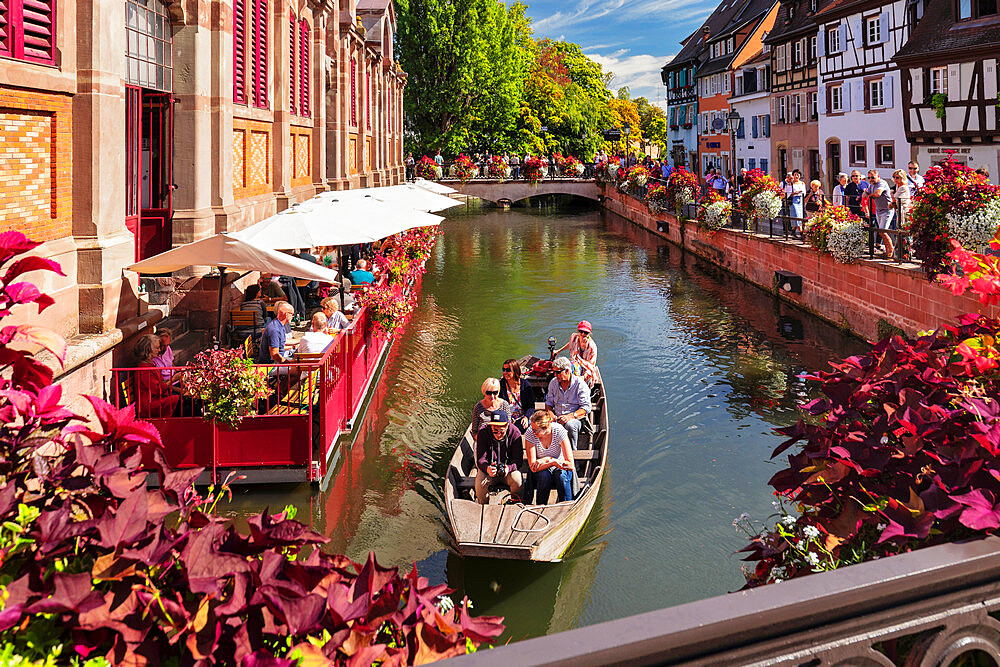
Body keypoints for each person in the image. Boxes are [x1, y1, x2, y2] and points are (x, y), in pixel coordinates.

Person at [525, 409, 575, 505]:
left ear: (546, 428)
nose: (533, 432)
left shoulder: (559, 431)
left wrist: (550, 460)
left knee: (561, 475)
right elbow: (533, 467)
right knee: (544, 476)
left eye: (536, 430)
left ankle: (566, 505)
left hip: (559, 466)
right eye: (532, 429)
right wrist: (552, 463)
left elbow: (570, 465)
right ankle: (540, 506)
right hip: (542, 469)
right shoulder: (530, 433)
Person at [474, 411, 523, 504]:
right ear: (491, 426)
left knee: (517, 480)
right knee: (480, 482)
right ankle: (483, 507)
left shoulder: (515, 433)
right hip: (489, 471)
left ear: (507, 426)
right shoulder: (483, 432)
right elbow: (480, 459)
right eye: (495, 431)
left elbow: (518, 460)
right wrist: (487, 468)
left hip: (508, 471)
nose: (498, 434)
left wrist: (509, 468)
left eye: (501, 431)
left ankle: (515, 503)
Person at [545, 356, 592, 449]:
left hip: (575, 418)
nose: (555, 375)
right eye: (554, 372)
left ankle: (573, 454)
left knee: (570, 425)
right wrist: (551, 414)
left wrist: (569, 417)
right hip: (557, 417)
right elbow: (548, 403)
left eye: (557, 372)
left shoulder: (580, 384)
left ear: (567, 371)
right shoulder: (553, 383)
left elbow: (586, 408)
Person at [132, 334, 180, 418]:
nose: (159, 350)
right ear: (148, 350)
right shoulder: (144, 369)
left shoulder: (150, 364)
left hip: (156, 400)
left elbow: (161, 384)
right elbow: (158, 389)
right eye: (157, 348)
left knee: (188, 401)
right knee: (182, 401)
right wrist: (174, 378)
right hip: (150, 405)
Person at [555, 320, 599, 386]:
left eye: (586, 332)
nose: (583, 334)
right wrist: (558, 351)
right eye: (581, 331)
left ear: (589, 333)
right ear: (578, 331)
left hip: (586, 369)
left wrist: (584, 377)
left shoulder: (592, 347)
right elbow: (570, 344)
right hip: (576, 363)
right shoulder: (574, 337)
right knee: (565, 367)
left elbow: (591, 367)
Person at [257, 301, 298, 365]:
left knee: (299, 362)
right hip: (270, 366)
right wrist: (290, 363)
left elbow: (282, 342)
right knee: (299, 369)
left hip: (278, 361)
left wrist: (300, 340)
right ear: (286, 314)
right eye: (292, 314)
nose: (293, 317)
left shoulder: (278, 324)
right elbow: (275, 356)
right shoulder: (275, 329)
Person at [499, 359, 535, 431]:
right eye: (504, 369)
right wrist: (507, 418)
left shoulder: (525, 384)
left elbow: (531, 406)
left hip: (521, 418)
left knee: (529, 427)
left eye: (508, 370)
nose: (505, 372)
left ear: (515, 370)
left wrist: (526, 417)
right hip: (506, 418)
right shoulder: (501, 384)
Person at [868, 169, 895, 259]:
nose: (871, 179)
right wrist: (865, 193)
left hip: (887, 210)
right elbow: (866, 192)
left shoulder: (882, 183)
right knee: (881, 232)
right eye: (869, 178)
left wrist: (869, 196)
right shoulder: (871, 185)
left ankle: (891, 250)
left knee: (882, 231)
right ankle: (887, 251)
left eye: (873, 177)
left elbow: (878, 194)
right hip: (878, 210)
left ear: (878, 176)